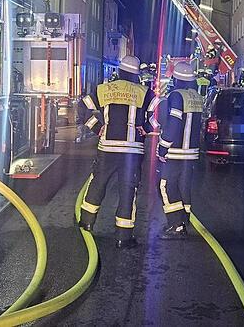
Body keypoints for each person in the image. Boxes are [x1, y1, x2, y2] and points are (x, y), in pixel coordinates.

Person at [78, 55, 157, 249]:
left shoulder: (104, 89)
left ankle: (86, 224)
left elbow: (82, 107)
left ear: (120, 71)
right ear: (136, 74)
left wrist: (97, 128)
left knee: (98, 184)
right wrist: (146, 127)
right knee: (128, 190)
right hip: (132, 151)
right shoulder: (145, 92)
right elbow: (160, 115)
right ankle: (123, 236)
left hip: (108, 148)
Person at [156, 63, 202, 239]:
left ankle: (176, 226)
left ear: (176, 78)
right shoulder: (197, 96)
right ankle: (183, 222)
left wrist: (163, 147)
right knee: (184, 187)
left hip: (175, 151)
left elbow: (174, 124)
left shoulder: (176, 96)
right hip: (191, 153)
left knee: (166, 185)